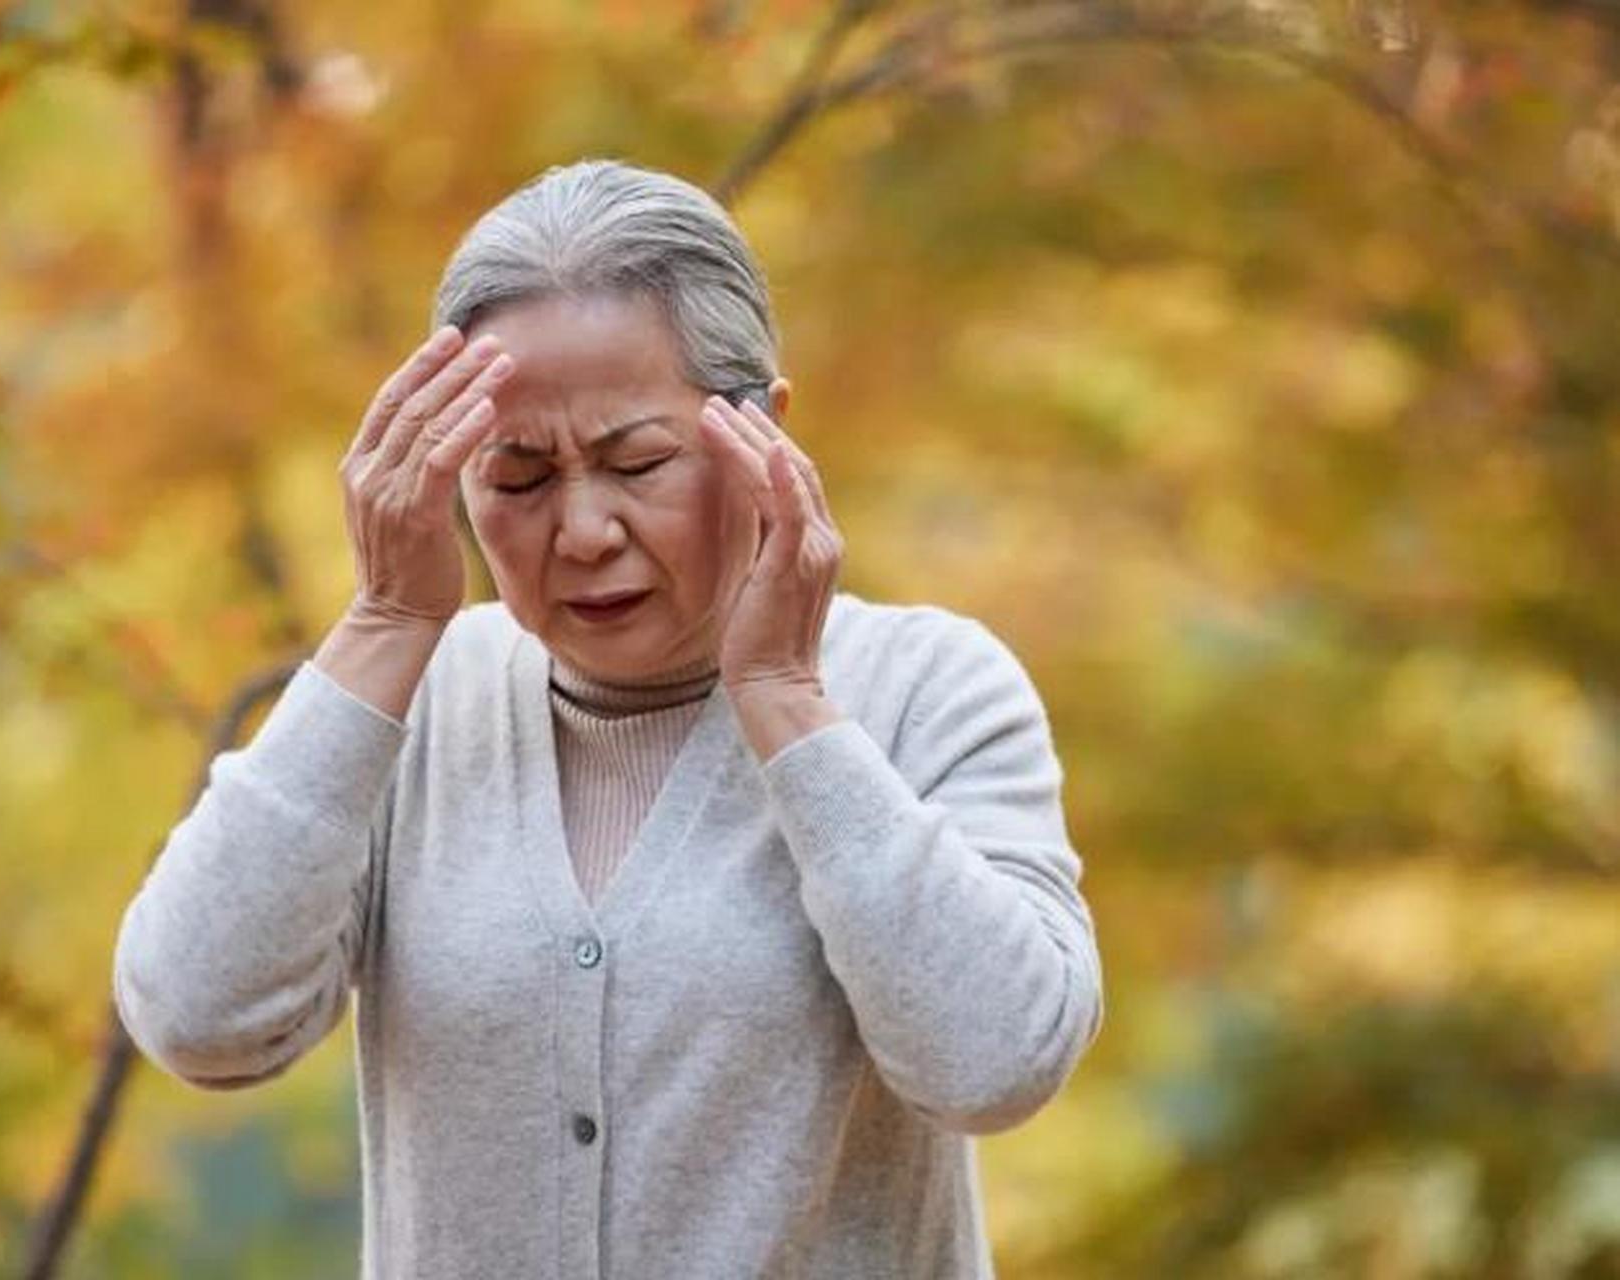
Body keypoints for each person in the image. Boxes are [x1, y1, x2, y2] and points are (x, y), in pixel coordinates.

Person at [112, 157, 1105, 1279]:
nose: (582, 530)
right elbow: (197, 1015)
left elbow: (996, 1061)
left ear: (765, 435)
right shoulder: (409, 702)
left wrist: (787, 701)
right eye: (518, 478)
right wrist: (384, 623)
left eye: (637, 462)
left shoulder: (930, 686)